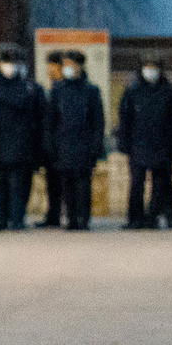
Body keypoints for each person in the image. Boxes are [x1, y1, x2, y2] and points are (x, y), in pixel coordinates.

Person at [0, 43, 48, 231]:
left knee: (4, 186)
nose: (10, 66)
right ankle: (13, 219)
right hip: (13, 146)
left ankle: (1, 220)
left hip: (4, 145)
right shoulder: (30, 88)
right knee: (14, 186)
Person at [117, 58, 172, 228]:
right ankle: (135, 218)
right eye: (147, 68)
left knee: (161, 183)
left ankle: (154, 216)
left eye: (154, 68)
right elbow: (125, 120)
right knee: (136, 184)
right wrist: (124, 142)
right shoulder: (132, 91)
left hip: (163, 146)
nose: (150, 72)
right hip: (137, 145)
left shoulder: (168, 92)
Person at [41, 50, 106, 230]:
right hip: (63, 146)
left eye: (72, 65)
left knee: (83, 186)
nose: (68, 69)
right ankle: (70, 218)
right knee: (67, 186)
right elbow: (50, 122)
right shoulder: (58, 91)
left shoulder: (91, 91)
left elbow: (97, 122)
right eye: (66, 65)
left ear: (80, 67)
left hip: (84, 146)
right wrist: (51, 145)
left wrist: (95, 147)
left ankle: (83, 218)